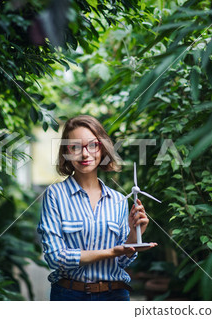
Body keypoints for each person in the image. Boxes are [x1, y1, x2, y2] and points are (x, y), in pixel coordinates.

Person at [37, 115, 157, 301]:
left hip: (115, 295)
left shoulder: (118, 199)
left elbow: (122, 261)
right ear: (66, 152)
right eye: (75, 147)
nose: (85, 154)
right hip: (69, 296)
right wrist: (111, 252)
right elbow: (55, 257)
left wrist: (134, 235)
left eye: (92, 145)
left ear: (102, 148)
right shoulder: (55, 195)